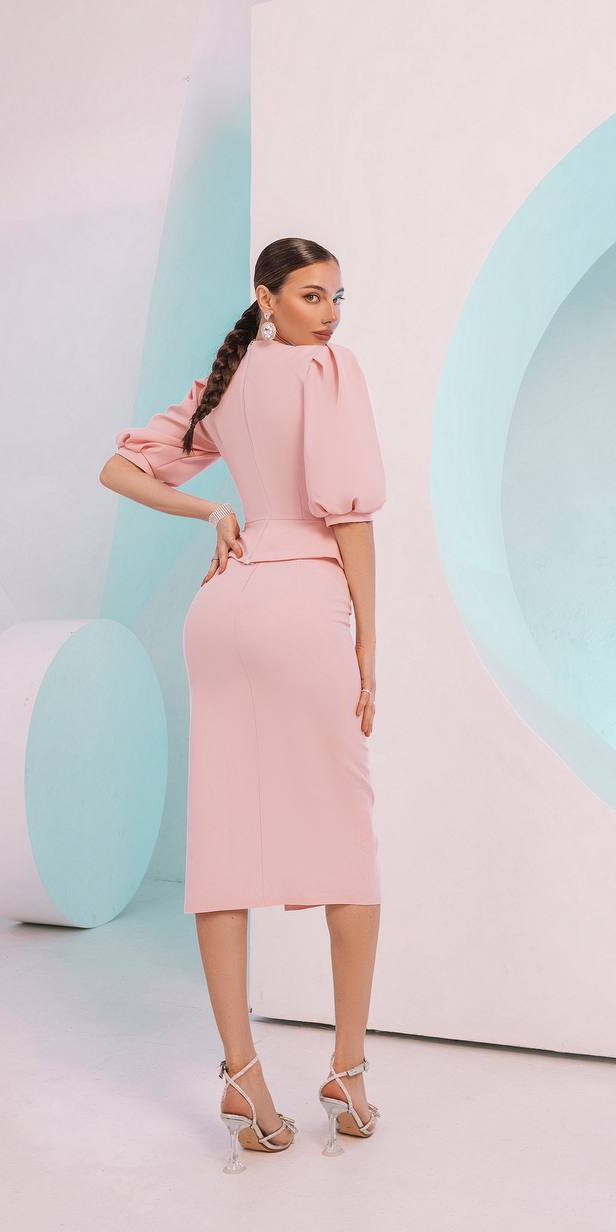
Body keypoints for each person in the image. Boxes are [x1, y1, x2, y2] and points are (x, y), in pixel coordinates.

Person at [99, 237, 387, 1170]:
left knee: (221, 845)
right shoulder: (327, 370)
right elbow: (347, 513)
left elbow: (120, 468)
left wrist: (216, 515)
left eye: (337, 296)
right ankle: (345, 1072)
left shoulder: (227, 378)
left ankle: (240, 1073)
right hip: (302, 601)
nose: (331, 313)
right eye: (312, 296)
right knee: (347, 843)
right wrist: (369, 649)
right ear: (267, 297)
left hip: (221, 609)